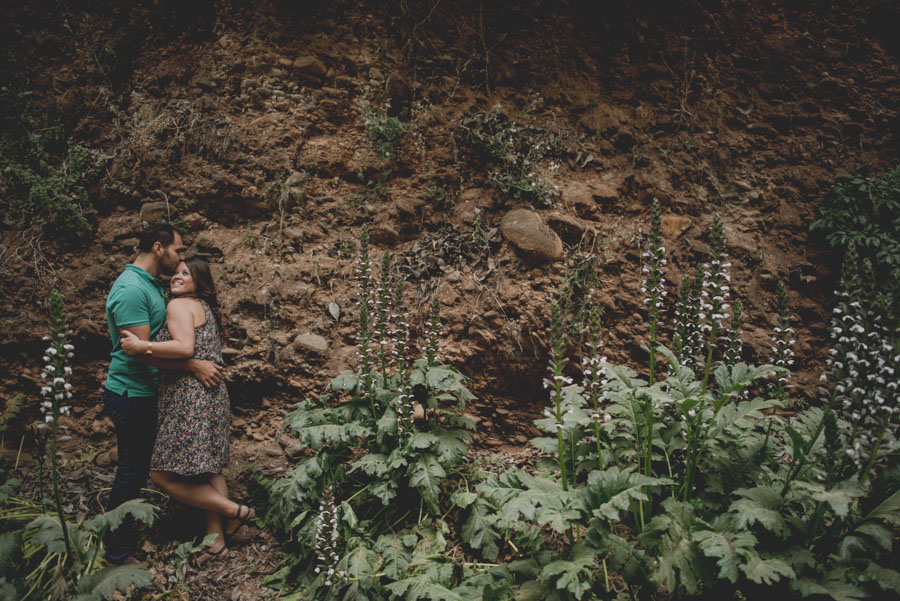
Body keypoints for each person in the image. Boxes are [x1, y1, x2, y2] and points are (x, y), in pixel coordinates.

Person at [120, 256, 253, 565]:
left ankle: (235, 511)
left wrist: (142, 347)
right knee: (208, 470)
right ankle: (216, 542)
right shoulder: (202, 306)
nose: (177, 277)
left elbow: (184, 348)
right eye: (176, 272)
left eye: (186, 273)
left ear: (198, 281)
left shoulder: (178, 305)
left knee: (160, 475)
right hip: (211, 394)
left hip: (190, 397)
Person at [104, 223, 223, 564]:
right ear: (159, 248)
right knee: (133, 471)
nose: (181, 256)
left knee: (161, 468)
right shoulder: (131, 289)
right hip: (132, 393)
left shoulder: (152, 284)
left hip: (152, 392)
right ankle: (118, 551)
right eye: (178, 250)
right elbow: (138, 351)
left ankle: (213, 531)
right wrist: (193, 365)